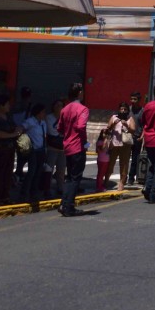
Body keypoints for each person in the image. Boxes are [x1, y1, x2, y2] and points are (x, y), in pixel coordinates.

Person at [56, 83, 90, 217]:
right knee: (75, 178)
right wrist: (85, 141)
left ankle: (64, 203)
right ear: (80, 93)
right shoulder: (83, 109)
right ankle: (68, 205)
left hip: (67, 145)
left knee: (69, 177)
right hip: (77, 145)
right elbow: (81, 126)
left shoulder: (65, 109)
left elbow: (59, 128)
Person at [21, 104, 48, 201]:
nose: (44, 114)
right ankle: (25, 192)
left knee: (38, 172)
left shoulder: (43, 123)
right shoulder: (30, 122)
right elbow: (21, 129)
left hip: (41, 149)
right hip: (32, 150)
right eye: (43, 112)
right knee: (31, 171)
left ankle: (34, 191)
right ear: (38, 113)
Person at [106, 102, 135, 192]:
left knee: (124, 165)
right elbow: (108, 128)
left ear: (127, 111)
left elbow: (133, 130)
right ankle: (106, 180)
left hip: (125, 145)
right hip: (114, 144)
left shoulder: (130, 119)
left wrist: (126, 124)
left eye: (125, 109)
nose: (123, 111)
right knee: (110, 164)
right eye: (121, 109)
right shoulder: (114, 117)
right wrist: (114, 124)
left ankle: (122, 182)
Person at [45, 100, 65, 198]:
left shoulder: (65, 118)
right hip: (52, 147)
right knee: (49, 168)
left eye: (61, 105)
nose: (59, 107)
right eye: (57, 105)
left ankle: (60, 187)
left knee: (61, 169)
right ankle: (47, 188)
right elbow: (51, 131)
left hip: (62, 147)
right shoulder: (49, 118)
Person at [126, 91, 144, 185]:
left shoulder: (142, 111)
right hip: (127, 137)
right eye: (131, 99)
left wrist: (142, 136)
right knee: (125, 158)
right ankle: (123, 177)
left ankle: (131, 178)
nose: (132, 101)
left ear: (139, 100)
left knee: (135, 159)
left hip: (137, 138)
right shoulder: (127, 110)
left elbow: (145, 125)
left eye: (135, 99)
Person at [94, 128, 110, 193]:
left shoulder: (107, 141)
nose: (105, 135)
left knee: (102, 174)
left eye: (106, 133)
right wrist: (105, 142)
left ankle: (100, 185)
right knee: (100, 174)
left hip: (106, 160)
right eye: (104, 133)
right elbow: (101, 150)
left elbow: (109, 149)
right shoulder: (100, 142)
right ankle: (99, 187)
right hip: (101, 160)